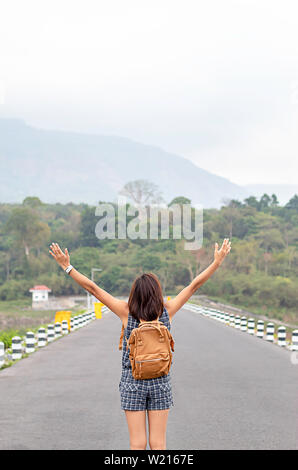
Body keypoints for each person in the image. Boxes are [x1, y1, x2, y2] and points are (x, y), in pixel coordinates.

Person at [49, 238, 231, 450]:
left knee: (137, 444)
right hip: (160, 380)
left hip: (132, 381)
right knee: (158, 443)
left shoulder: (126, 312)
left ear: (134, 293)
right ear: (157, 293)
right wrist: (216, 262)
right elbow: (193, 286)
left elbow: (94, 289)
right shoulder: (167, 312)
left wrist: (67, 266)